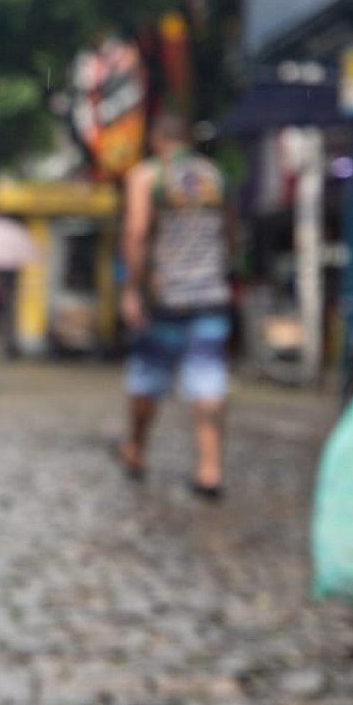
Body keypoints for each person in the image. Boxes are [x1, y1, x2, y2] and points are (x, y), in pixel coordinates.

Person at [118, 111, 233, 500]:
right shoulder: (216, 177)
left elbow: (136, 234)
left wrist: (132, 289)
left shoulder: (148, 176)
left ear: (156, 139)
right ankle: (210, 468)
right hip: (211, 295)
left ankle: (135, 449)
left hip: (164, 297)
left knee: (148, 377)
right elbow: (230, 234)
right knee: (208, 381)